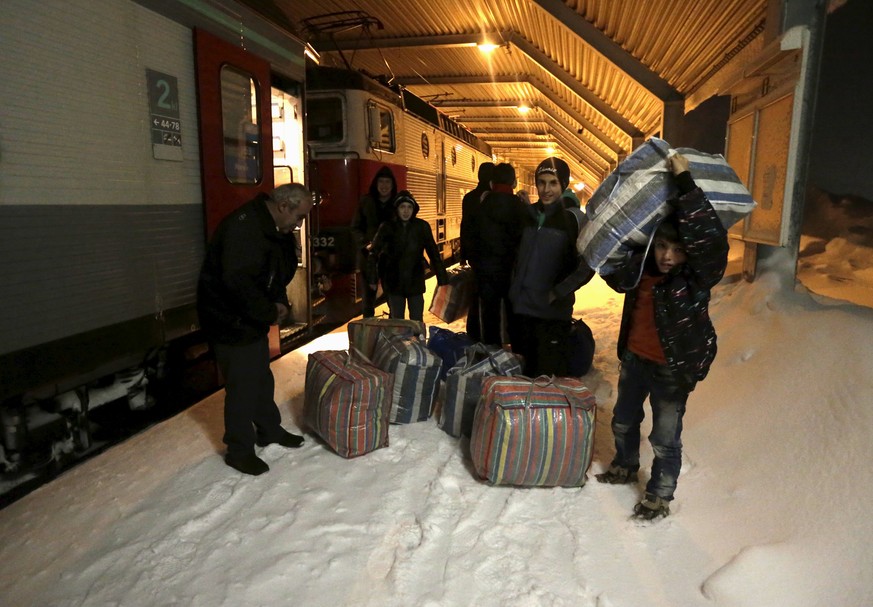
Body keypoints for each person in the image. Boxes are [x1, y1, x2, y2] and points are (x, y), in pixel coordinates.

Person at [595, 152, 729, 520]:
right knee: (623, 419)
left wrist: (685, 184)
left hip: (672, 368)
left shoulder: (695, 278)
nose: (668, 256)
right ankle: (624, 465)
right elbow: (609, 265)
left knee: (665, 438)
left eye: (677, 250)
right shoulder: (639, 270)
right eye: (662, 247)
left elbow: (711, 241)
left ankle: (660, 494)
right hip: (635, 360)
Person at [197, 183, 313, 476]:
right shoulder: (245, 229)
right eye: (298, 216)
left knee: (260, 375)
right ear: (284, 206)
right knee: (242, 386)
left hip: (250, 317)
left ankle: (268, 429)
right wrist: (268, 310)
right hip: (230, 319)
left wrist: (277, 300)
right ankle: (239, 450)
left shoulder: (275, 229)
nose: (299, 224)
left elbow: (277, 271)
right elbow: (238, 284)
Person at [509, 157, 595, 376]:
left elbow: (589, 265)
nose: (546, 189)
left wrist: (558, 292)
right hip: (522, 311)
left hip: (553, 315)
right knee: (524, 374)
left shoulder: (575, 219)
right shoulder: (528, 215)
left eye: (553, 183)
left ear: (563, 185)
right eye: (541, 182)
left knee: (548, 376)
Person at [467, 162, 527, 348]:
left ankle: (492, 352)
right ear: (514, 182)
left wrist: (474, 263)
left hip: (486, 270)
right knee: (513, 314)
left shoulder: (482, 205)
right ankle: (516, 351)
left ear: (492, 183)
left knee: (489, 314)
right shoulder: (519, 206)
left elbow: (473, 236)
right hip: (511, 271)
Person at [369, 190, 448, 321]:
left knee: (416, 320)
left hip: (415, 281)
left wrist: (442, 278)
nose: (406, 211)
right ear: (397, 209)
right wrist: (372, 278)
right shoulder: (387, 227)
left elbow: (433, 253)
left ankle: (417, 341)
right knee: (397, 321)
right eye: (402, 207)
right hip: (394, 283)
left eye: (409, 207)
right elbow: (373, 253)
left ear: (414, 209)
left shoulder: (422, 227)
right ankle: (398, 342)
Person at [351, 166, 398, 317]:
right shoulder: (366, 201)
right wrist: (365, 244)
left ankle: (394, 328)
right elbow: (355, 227)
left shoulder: (398, 203)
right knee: (368, 300)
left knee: (393, 297)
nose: (384, 186)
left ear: (392, 185)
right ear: (376, 184)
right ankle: (368, 330)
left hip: (391, 257)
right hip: (368, 256)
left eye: (387, 182)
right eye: (381, 182)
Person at [459, 162, 495, 341]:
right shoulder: (494, 198)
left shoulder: (469, 197)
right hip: (492, 255)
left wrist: (463, 254)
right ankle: (489, 334)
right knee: (490, 298)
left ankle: (473, 332)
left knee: (475, 296)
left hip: (475, 254)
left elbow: (465, 226)